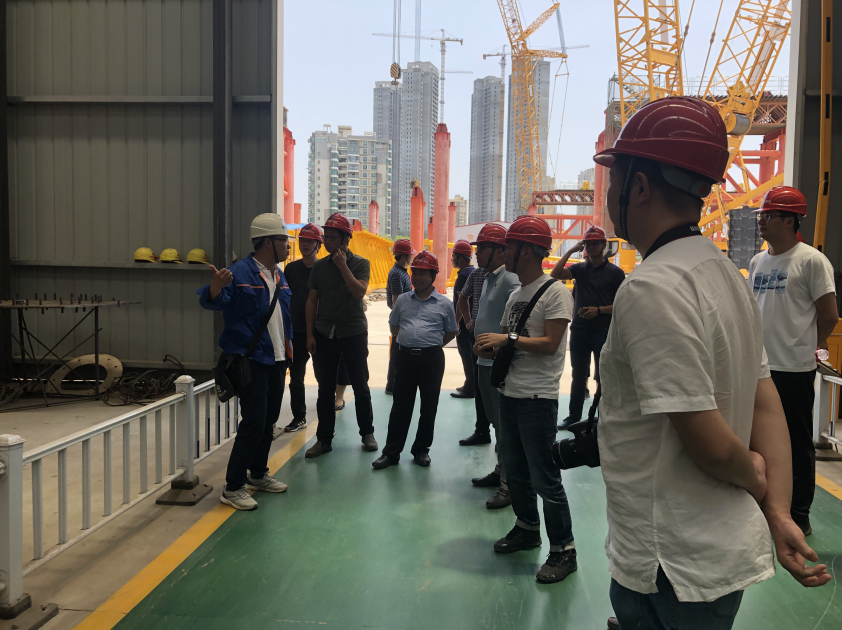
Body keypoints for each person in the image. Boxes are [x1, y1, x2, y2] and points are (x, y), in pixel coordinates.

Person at [591, 96, 830, 630]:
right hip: (714, 556)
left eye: (615, 178)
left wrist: (757, 478)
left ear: (639, 186)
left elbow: (710, 442)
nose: (609, 194)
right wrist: (778, 512)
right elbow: (765, 402)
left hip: (669, 563)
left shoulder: (652, 287)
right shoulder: (726, 274)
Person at [475, 216, 578, 585]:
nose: (505, 253)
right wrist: (489, 346)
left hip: (537, 399)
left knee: (545, 478)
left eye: (510, 247)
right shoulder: (515, 295)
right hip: (510, 394)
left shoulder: (556, 293)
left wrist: (507, 340)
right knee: (516, 472)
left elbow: (550, 344)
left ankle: (564, 550)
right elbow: (506, 341)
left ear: (528, 251)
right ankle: (527, 528)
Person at [749, 185, 839, 537]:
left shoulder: (811, 261)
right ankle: (766, 508)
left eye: (768, 215)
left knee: (796, 444)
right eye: (761, 215)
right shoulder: (757, 261)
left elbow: (828, 314)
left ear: (790, 220)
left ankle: (799, 514)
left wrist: (811, 347)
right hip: (760, 369)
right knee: (760, 442)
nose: (761, 221)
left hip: (793, 369)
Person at [197, 213, 293, 511]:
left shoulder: (279, 276)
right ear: (268, 242)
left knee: (269, 420)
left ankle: (258, 474)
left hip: (277, 358)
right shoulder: (239, 273)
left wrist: (289, 350)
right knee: (253, 422)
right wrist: (215, 286)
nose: (288, 245)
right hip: (252, 359)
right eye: (284, 240)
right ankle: (233, 486)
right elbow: (213, 301)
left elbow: (283, 317)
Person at [372, 251, 458, 469]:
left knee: (429, 406)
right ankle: (391, 453)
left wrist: (431, 343)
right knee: (400, 406)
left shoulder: (444, 304)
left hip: (431, 359)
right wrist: (409, 340)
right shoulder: (402, 300)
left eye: (422, 273)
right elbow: (394, 325)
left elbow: (451, 331)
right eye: (415, 272)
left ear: (433, 276)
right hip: (405, 357)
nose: (417, 277)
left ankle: (421, 450)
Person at [304, 212, 377, 458]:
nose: (326, 241)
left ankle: (367, 433)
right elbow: (311, 302)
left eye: (332, 237)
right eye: (325, 237)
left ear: (346, 239)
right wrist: (309, 334)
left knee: (360, 385)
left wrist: (343, 266)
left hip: (353, 332)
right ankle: (324, 439)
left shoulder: (361, 264)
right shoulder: (319, 267)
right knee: (325, 388)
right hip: (325, 333)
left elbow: (359, 292)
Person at [467, 223, 520, 509]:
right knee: (494, 421)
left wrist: (500, 346)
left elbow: (516, 322)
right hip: (483, 360)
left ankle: (509, 486)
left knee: (504, 426)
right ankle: (501, 471)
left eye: (483, 248)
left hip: (499, 364)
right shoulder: (488, 278)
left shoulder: (511, 280)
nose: (477, 254)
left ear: (500, 251)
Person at [551, 226, 625, 430]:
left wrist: (599, 310)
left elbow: (623, 304)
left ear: (604, 245)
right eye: (588, 243)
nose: (591, 247)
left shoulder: (615, 273)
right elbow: (554, 274)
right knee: (578, 375)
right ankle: (573, 417)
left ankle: (602, 419)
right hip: (579, 330)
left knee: (603, 377)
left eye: (595, 243)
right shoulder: (580, 270)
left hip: (603, 331)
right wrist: (570, 251)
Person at [283, 223, 323, 433]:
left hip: (321, 331)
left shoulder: (325, 269)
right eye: (303, 241)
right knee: (296, 378)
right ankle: (299, 417)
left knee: (323, 378)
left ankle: (326, 423)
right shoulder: (291, 269)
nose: (305, 244)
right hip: (296, 331)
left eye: (310, 241)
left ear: (318, 244)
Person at [456, 263, 492, 445]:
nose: (477, 254)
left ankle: (502, 436)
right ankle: (482, 431)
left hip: (500, 338)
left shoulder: (508, 277)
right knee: (480, 386)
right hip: (478, 336)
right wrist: (468, 321)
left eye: (482, 249)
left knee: (500, 387)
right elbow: (462, 297)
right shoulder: (476, 275)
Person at [385, 239, 416, 395]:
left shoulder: (401, 272)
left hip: (403, 318)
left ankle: (395, 384)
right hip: (400, 319)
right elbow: (396, 301)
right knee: (397, 353)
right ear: (404, 257)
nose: (412, 257)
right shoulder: (397, 274)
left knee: (400, 353)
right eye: (410, 255)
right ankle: (392, 385)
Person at [451, 239, 478, 399]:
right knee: (470, 356)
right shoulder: (472, 272)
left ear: (461, 258)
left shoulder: (463, 276)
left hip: (464, 325)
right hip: (471, 323)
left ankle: (470, 388)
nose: (452, 259)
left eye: (454, 256)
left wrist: (455, 323)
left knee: (467, 356)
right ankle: (469, 384)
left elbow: (462, 302)